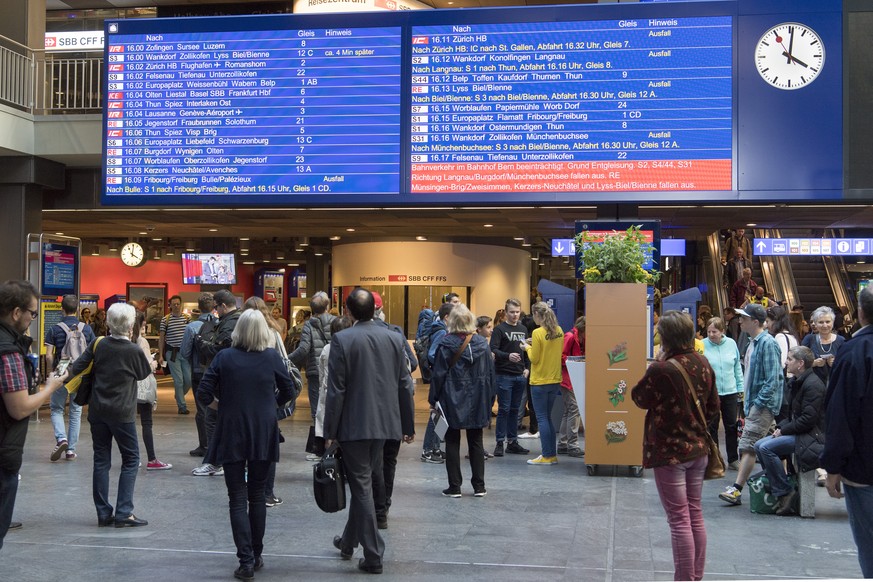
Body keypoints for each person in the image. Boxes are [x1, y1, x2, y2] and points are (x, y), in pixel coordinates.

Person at [197, 309, 295, 581]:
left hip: (231, 430)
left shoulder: (224, 357)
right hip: (264, 429)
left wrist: (222, 406)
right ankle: (257, 552)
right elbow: (289, 390)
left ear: (238, 331)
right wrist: (268, 406)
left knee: (237, 497)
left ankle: (246, 561)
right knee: (257, 495)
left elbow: (204, 392)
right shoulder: (272, 357)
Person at [324, 288, 415, 575]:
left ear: (348, 312)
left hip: (354, 424)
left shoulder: (342, 339)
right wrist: (408, 424)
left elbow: (336, 389)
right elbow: (404, 383)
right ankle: (348, 542)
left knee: (361, 484)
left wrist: (330, 430)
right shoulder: (394, 337)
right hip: (386, 424)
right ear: (374, 310)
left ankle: (374, 554)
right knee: (363, 480)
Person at [631, 311, 718, 582]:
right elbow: (713, 407)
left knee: (678, 520)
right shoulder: (703, 362)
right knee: (694, 513)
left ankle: (684, 578)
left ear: (665, 337)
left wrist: (656, 363)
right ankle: (695, 576)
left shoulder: (662, 368)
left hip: (670, 453)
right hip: (698, 449)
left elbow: (639, 398)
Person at [68, 302, 152, 528]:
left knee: (101, 460)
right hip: (122, 412)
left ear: (108, 323)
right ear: (132, 325)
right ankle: (124, 511)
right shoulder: (134, 350)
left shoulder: (98, 343)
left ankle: (103, 513)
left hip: (97, 410)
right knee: (131, 458)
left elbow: (78, 366)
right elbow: (144, 373)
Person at [0, 280, 69, 549]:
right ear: (16, 313)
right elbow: (19, 407)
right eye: (32, 312)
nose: (33, 318)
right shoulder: (8, 352)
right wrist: (50, 387)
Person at [820, 286, 873, 577]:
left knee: (869, 544)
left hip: (864, 468)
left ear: (860, 312)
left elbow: (840, 413)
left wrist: (833, 467)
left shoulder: (853, 352)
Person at [718, 303, 784, 506]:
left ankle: (736, 489)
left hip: (761, 406)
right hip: (754, 404)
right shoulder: (752, 342)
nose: (740, 321)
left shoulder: (767, 343)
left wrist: (757, 404)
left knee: (748, 446)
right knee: (770, 447)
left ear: (755, 321)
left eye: (744, 318)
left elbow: (773, 379)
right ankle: (782, 486)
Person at [429, 304, 495, 497]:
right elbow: (491, 375)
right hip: (478, 399)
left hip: (451, 398)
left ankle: (455, 486)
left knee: (451, 441)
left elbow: (438, 375)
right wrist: (490, 398)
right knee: (476, 441)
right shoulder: (482, 344)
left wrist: (433, 399)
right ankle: (479, 486)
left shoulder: (446, 343)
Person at [754, 345, 825, 516]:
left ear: (800, 363)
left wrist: (783, 430)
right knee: (758, 445)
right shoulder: (797, 382)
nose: (786, 362)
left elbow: (808, 420)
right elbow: (794, 415)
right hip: (801, 432)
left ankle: (785, 492)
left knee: (766, 448)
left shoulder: (813, 385)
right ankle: (781, 488)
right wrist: (780, 428)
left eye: (790, 359)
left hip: (812, 436)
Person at [243, 295, 291, 508]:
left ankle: (246, 490)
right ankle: (266, 493)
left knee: (244, 446)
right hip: (267, 398)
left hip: (243, 399)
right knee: (268, 446)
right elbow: (285, 366)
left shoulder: (240, 332)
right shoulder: (273, 333)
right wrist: (277, 401)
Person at [192, 289, 242, 477]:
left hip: (224, 378)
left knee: (212, 417)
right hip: (234, 378)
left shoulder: (229, 323)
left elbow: (220, 350)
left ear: (222, 305)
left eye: (216, 307)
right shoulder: (238, 320)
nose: (215, 311)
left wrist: (202, 344)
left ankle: (215, 461)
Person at [44, 294, 96, 462]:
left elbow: (49, 356)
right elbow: (94, 352)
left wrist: (51, 373)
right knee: (76, 412)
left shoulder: (54, 329)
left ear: (62, 309)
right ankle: (71, 451)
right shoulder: (87, 329)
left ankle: (61, 439)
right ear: (78, 310)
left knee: (56, 408)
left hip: (62, 368)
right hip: (80, 372)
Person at [288, 291, 335, 460]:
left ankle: (320, 449)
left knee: (317, 410)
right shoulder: (336, 322)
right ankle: (333, 447)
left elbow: (303, 349)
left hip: (316, 372)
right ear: (328, 306)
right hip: (335, 371)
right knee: (335, 406)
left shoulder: (308, 325)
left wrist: (286, 360)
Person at [519, 302, 564, 465]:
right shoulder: (558, 331)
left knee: (542, 418)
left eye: (534, 315)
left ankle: (546, 455)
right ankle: (552, 454)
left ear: (537, 315)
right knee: (548, 418)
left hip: (539, 382)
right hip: (554, 380)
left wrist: (526, 347)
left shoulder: (538, 332)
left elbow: (534, 359)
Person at [489, 298, 531, 457]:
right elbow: (493, 349)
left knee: (515, 409)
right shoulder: (500, 329)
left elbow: (526, 350)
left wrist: (527, 368)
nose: (515, 315)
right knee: (504, 409)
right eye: (512, 312)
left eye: (517, 312)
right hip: (504, 374)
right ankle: (500, 442)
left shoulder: (523, 329)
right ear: (506, 312)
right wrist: (507, 356)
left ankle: (512, 441)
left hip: (520, 375)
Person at [132, 311, 171, 470]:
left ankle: (132, 458)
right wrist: (154, 362)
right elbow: (148, 366)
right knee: (146, 422)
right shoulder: (142, 342)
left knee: (128, 423)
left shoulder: (123, 341)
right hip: (142, 385)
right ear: (141, 323)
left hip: (127, 386)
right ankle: (152, 459)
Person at [702, 317, 743, 470]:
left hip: (731, 391)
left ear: (722, 332)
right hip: (711, 394)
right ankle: (715, 459)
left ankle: (733, 458)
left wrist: (740, 388)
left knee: (731, 426)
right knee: (711, 427)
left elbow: (737, 367)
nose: (712, 334)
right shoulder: (702, 345)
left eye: (715, 331)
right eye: (709, 331)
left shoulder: (731, 344)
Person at [181, 292, 216, 458]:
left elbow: (184, 352)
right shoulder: (221, 324)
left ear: (198, 307)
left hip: (199, 372)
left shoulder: (191, 327)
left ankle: (205, 445)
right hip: (218, 372)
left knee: (202, 409)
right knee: (218, 407)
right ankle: (218, 444)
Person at [420, 302, 454, 464]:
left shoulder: (440, 330)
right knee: (436, 414)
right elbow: (433, 354)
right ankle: (428, 450)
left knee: (440, 414)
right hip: (439, 377)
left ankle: (435, 448)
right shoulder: (441, 332)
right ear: (447, 317)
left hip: (439, 377)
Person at [157, 295, 192, 415]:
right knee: (179, 380)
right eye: (174, 304)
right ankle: (182, 406)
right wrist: (161, 355)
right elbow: (161, 338)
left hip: (185, 354)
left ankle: (178, 396)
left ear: (181, 304)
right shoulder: (165, 320)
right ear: (170, 305)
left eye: (178, 304)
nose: (176, 306)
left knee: (188, 380)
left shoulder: (188, 319)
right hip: (172, 353)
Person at [558, 316, 585, 457]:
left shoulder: (581, 338)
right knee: (574, 409)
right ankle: (572, 445)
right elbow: (561, 356)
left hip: (573, 378)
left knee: (569, 411)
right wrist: (575, 362)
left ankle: (562, 444)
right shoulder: (569, 336)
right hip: (567, 379)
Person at [801, 306, 845, 386]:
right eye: (821, 322)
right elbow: (799, 362)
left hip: (838, 384)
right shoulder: (809, 339)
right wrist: (813, 363)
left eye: (828, 322)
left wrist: (836, 363)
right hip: (814, 386)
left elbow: (848, 365)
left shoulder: (841, 340)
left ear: (833, 322)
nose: (825, 325)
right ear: (815, 323)